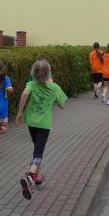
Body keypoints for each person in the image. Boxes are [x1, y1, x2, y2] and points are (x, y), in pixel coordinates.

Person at [15, 59, 67, 199]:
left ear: (34, 73)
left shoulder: (31, 84)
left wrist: (20, 113)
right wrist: (53, 91)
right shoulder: (54, 87)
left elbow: (24, 94)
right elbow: (62, 105)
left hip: (31, 122)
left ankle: (37, 177)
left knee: (37, 149)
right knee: (38, 151)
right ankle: (31, 176)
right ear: (48, 73)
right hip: (44, 124)